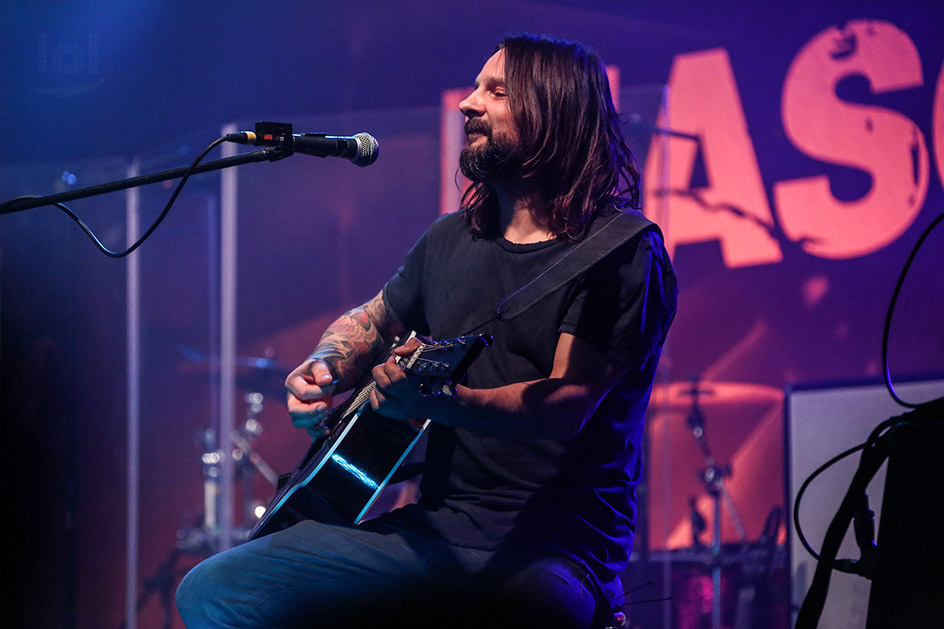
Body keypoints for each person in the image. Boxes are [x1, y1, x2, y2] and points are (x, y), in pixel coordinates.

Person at [176, 34, 677, 628]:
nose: (467, 104)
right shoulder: (449, 239)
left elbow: (567, 403)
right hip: (431, 531)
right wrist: (325, 366)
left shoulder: (618, 252)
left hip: (555, 549)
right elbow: (373, 318)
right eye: (473, 88)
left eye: (495, 91)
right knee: (217, 588)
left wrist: (449, 404)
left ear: (553, 110)